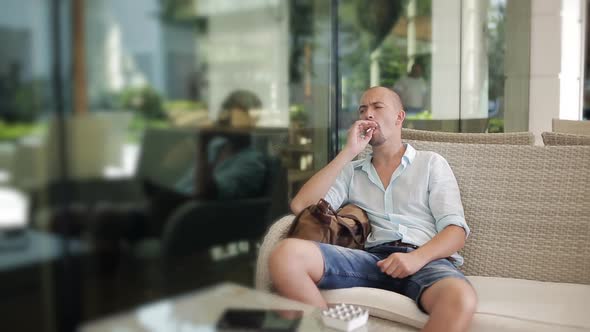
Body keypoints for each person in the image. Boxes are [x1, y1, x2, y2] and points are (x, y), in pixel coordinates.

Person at [269, 86, 477, 332]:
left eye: (377, 107)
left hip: (424, 260)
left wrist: (415, 259)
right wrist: (348, 152)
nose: (368, 114)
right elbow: (301, 205)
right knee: (286, 255)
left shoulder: (430, 163)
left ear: (400, 117)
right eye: (363, 109)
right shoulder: (352, 170)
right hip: (370, 259)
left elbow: (456, 231)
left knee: (460, 298)